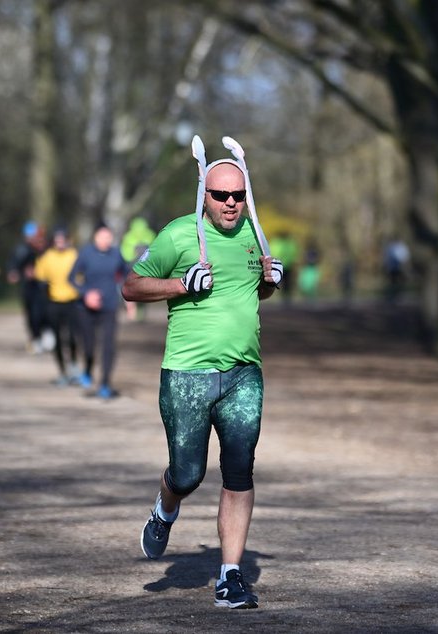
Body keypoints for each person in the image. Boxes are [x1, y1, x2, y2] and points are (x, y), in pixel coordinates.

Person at [121, 158, 283, 609]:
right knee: (188, 474)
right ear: (204, 194)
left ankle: (230, 577)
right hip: (186, 376)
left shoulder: (255, 233)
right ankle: (165, 506)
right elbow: (131, 287)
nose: (231, 203)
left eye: (238, 195)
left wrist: (270, 282)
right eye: (221, 195)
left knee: (239, 471)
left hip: (244, 374)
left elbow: (254, 289)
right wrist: (181, 284)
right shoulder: (179, 235)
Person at [68, 222, 130, 399]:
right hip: (86, 308)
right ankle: (88, 368)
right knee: (89, 347)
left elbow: (127, 275)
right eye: (102, 236)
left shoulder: (116, 253)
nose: (106, 240)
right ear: (95, 237)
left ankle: (105, 383)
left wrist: (130, 299)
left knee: (109, 346)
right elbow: (71, 278)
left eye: (108, 237)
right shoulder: (86, 253)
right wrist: (86, 294)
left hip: (109, 306)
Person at [34, 226, 81, 386]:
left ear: (67, 240)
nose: (60, 243)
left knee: (73, 337)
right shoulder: (47, 257)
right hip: (54, 302)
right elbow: (40, 277)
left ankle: (74, 365)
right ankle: (62, 371)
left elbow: (83, 274)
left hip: (72, 301)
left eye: (62, 240)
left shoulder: (74, 255)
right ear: (53, 242)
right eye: (57, 240)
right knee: (58, 338)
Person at [8, 221, 51, 353]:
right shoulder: (21, 249)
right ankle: (35, 338)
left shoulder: (47, 249)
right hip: (29, 288)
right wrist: (15, 273)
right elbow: (14, 265)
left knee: (46, 313)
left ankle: (48, 334)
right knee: (32, 315)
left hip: (45, 287)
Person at [119, 217, 156, 320]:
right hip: (146, 267)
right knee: (144, 289)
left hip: (132, 267)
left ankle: (132, 310)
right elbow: (156, 250)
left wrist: (130, 259)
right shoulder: (150, 235)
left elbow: (125, 253)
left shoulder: (128, 236)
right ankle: (139, 311)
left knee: (130, 287)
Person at [269, 231, 299, 306]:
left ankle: (285, 297)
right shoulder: (288, 243)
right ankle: (284, 297)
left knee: (286, 282)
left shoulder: (278, 242)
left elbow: (273, 252)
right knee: (283, 282)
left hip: (284, 265)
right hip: (283, 265)